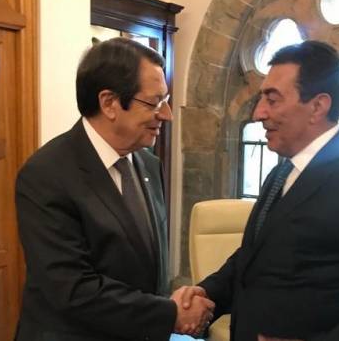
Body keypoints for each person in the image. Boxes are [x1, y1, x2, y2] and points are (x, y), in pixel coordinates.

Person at [176, 40, 339, 341]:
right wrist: (204, 294)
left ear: (317, 106)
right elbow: (252, 258)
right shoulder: (281, 172)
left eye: (272, 100)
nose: (258, 113)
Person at [15, 37, 213, 341]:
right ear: (109, 103)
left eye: (166, 100)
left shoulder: (149, 164)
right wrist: (169, 314)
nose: (167, 114)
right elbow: (73, 289)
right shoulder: (46, 174)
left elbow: (146, 266)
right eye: (154, 102)